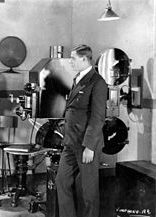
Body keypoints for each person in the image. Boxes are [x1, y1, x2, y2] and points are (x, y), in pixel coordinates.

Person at [55, 44, 108, 217]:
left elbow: (98, 117)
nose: (70, 62)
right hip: (71, 141)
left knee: (88, 192)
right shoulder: (77, 78)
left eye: (73, 58)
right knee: (61, 181)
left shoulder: (97, 82)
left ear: (84, 59)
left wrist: (90, 146)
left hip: (86, 144)